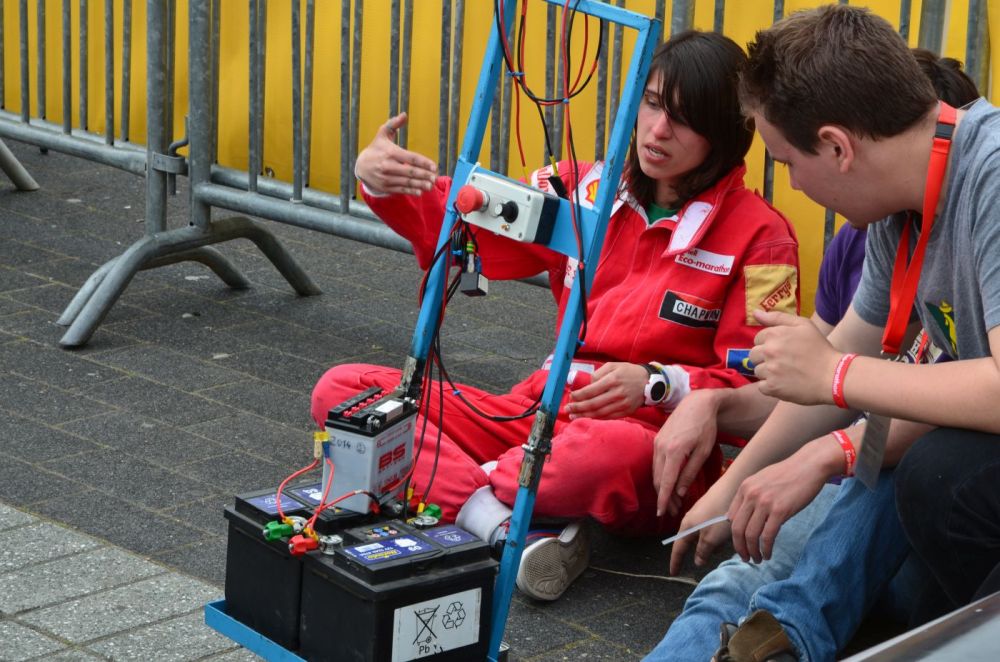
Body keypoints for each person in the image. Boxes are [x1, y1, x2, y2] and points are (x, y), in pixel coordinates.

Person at [311, 30, 800, 602]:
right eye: (651, 103)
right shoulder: (583, 186)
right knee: (345, 395)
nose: (658, 130)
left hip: (645, 446)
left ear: (724, 134)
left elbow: (760, 387)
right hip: (536, 413)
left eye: (684, 118)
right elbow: (464, 214)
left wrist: (657, 385)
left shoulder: (764, 238)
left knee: (597, 455)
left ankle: (460, 492)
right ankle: (501, 520)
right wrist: (379, 177)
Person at [665, 5, 1000, 660]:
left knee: (927, 467)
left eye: (787, 160)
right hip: (935, 516)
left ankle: (797, 627)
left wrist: (833, 429)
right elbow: (852, 351)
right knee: (748, 576)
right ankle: (782, 631)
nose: (788, 181)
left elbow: (849, 373)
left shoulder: (990, 175)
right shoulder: (900, 206)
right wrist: (732, 488)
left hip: (954, 495)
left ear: (838, 146)